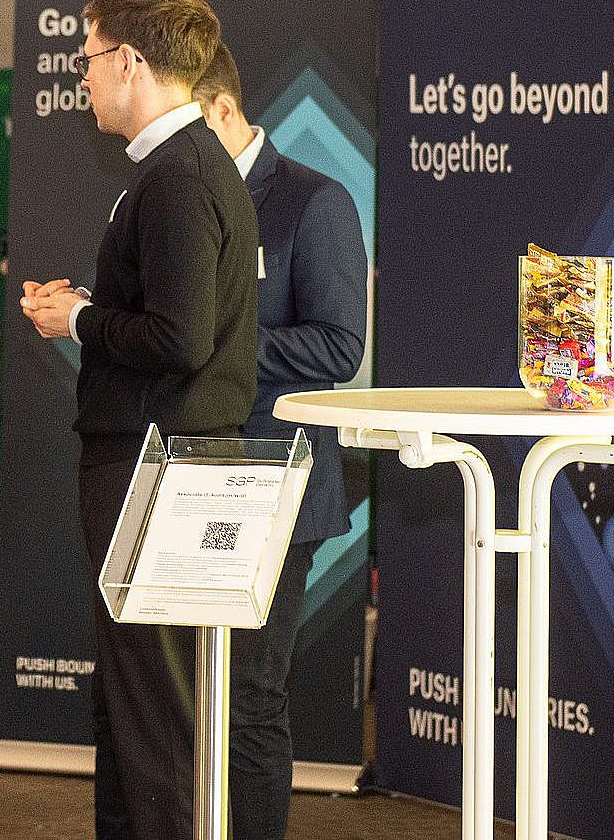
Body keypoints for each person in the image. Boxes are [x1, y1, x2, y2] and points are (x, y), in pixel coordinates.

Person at [19, 0, 258, 840]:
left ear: (129, 62)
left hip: (159, 468)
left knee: (156, 712)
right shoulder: (184, 168)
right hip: (160, 461)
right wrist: (90, 308)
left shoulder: (180, 176)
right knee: (138, 703)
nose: (82, 81)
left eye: (86, 62)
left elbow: (181, 338)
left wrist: (78, 318)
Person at [194, 42, 367, 840]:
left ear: (224, 110)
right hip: (184, 478)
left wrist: (210, 342)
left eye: (188, 128)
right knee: (188, 696)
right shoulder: (181, 197)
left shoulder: (313, 201)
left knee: (249, 699)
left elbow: (338, 347)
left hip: (274, 481)